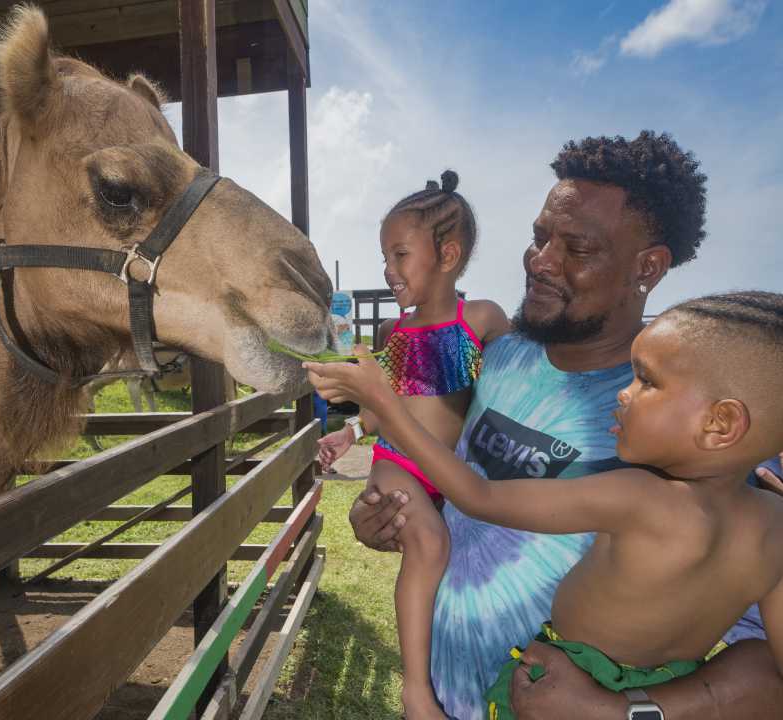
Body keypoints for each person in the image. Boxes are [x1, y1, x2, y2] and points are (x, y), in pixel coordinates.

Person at [345, 131, 783, 719]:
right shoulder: (490, 355)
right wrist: (380, 516)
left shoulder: (687, 433)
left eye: (575, 247)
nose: (540, 261)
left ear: (647, 266)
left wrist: (624, 712)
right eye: (538, 237)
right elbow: (420, 463)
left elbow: (765, 672)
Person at [307, 291, 783, 719]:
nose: (624, 391)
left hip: (555, 691)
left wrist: (384, 403)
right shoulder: (774, 524)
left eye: (647, 382)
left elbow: (479, 496)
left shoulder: (640, 496)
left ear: (720, 423)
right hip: (662, 692)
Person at [316, 171, 509, 718]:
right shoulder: (398, 333)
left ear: (448, 255)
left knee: (446, 554)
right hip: (399, 464)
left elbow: (524, 375)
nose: (388, 269)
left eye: (400, 255)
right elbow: (385, 408)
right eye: (385, 257)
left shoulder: (482, 321)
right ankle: (416, 690)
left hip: (447, 473)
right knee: (429, 547)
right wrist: (350, 429)